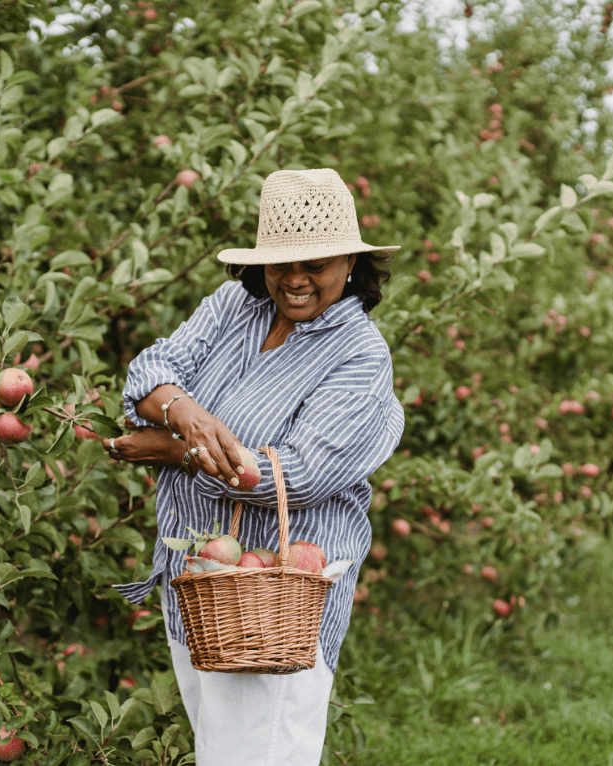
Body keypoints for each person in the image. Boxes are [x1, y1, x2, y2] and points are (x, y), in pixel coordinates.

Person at [106, 168, 405, 766]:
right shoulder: (235, 306)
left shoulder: (360, 355)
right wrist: (187, 415)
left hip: (276, 600)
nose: (294, 280)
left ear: (350, 260)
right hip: (198, 582)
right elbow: (146, 374)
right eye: (279, 264)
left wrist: (171, 448)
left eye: (314, 263)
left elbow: (293, 476)